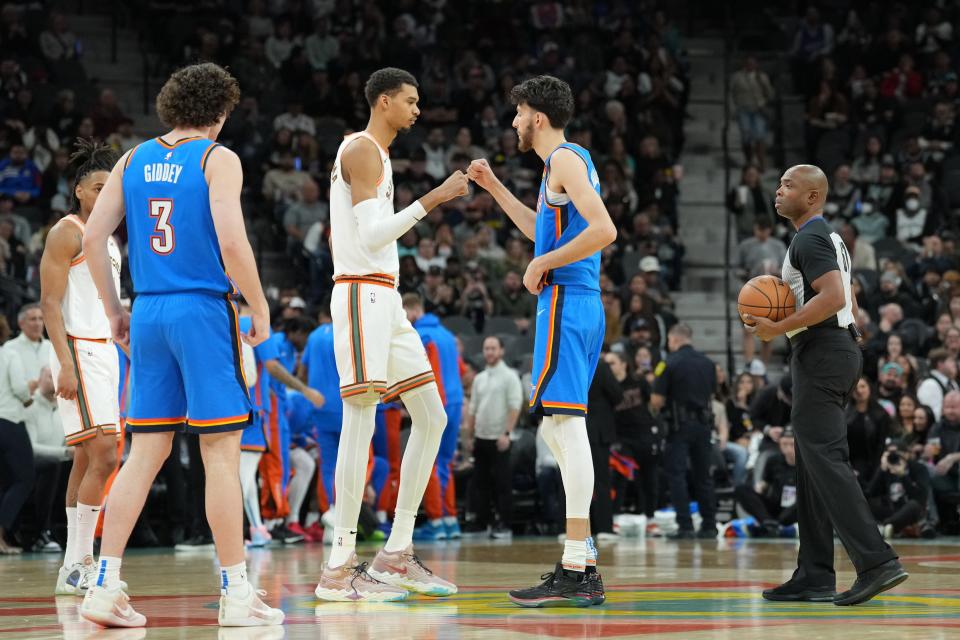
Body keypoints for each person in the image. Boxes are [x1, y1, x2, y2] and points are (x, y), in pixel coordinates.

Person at [78, 63, 283, 627]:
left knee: (144, 453)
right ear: (219, 112)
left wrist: (115, 310)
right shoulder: (218, 158)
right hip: (200, 308)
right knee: (220, 452)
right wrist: (259, 306)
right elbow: (233, 240)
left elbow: (94, 238)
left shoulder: (131, 158)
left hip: (147, 311)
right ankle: (237, 593)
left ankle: (104, 584)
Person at [314, 67, 466, 602]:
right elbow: (371, 233)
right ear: (383, 101)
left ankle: (395, 554)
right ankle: (338, 566)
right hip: (359, 292)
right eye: (410, 100)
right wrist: (435, 198)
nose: (418, 109)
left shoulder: (378, 156)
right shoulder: (360, 150)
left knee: (432, 415)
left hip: (386, 298)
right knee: (361, 419)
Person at [468, 74, 617, 607]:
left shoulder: (565, 160)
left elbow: (604, 230)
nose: (513, 123)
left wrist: (542, 263)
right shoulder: (562, 167)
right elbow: (545, 231)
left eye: (518, 114)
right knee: (556, 430)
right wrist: (495, 189)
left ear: (537, 116)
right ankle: (583, 563)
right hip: (572, 302)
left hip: (568, 300)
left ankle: (577, 566)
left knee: (566, 429)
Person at [746, 164, 906, 606]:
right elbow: (846, 299)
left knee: (825, 458)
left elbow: (835, 298)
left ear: (813, 197)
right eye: (778, 184)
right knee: (812, 462)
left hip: (823, 349)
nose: (778, 191)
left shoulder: (809, 237)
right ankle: (815, 573)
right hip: (832, 349)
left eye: (788, 185)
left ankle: (877, 562)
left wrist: (779, 328)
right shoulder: (826, 237)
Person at [38, 139, 123, 596]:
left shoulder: (108, 240)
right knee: (107, 454)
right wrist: (65, 365)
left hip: (104, 350)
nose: (104, 194)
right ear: (79, 191)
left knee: (90, 457)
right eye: (97, 187)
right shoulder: (66, 231)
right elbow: (49, 303)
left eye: (111, 188)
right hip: (77, 349)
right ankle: (81, 561)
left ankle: (73, 567)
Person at [404, 293, 465, 542]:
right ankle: (451, 520)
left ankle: (436, 521)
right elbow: (461, 369)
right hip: (456, 400)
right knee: (446, 462)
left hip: (437, 401)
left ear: (412, 310)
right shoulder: (448, 335)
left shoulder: (420, 335)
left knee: (428, 462)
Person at [650, 323, 718, 539]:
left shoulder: (668, 363)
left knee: (677, 475)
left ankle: (685, 526)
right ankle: (709, 525)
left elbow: (657, 401)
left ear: (674, 339)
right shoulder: (708, 364)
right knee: (704, 477)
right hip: (704, 425)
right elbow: (713, 393)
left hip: (678, 427)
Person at [463, 336, 523, 538]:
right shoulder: (480, 378)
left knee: (502, 484)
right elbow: (473, 409)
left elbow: (515, 406)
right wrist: (469, 437)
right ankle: (481, 522)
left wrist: (507, 433)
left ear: (502, 351)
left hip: (500, 438)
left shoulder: (510, 377)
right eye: (486, 348)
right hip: (481, 437)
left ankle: (504, 524)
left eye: (493, 348)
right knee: (481, 483)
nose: (489, 352)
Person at [605, 351, 662, 520]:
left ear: (624, 364)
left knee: (649, 479)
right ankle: (614, 517)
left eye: (612, 363)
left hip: (644, 435)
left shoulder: (638, 382)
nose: (608, 367)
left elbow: (653, 406)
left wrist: (655, 430)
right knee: (619, 478)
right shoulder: (606, 386)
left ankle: (650, 517)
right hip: (622, 439)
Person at [733, 426, 798, 537]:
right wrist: (762, 486)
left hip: (795, 509)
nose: (788, 449)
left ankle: (774, 525)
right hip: (775, 505)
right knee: (742, 489)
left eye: (791, 444)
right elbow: (767, 483)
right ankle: (769, 523)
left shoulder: (807, 464)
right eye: (784, 444)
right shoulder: (773, 460)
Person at [0, 339, 33, 554]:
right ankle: (2, 535)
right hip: (8, 420)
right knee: (25, 479)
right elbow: (20, 388)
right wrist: (29, 397)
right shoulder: (9, 354)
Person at [917, 348, 959, 421]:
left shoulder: (952, 383)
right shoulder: (929, 384)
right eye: (951, 361)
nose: (954, 364)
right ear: (940, 364)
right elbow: (933, 416)